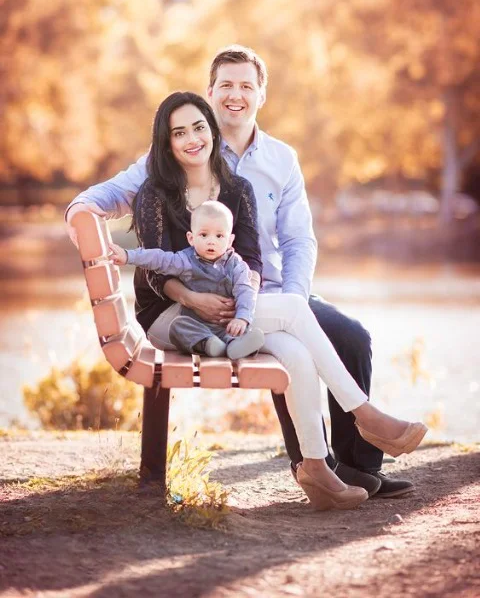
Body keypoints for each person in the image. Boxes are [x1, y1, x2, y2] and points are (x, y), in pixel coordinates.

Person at [66, 45, 417, 498]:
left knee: (349, 336)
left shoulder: (278, 161)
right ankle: (333, 449)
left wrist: (290, 295)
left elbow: (297, 240)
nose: (235, 95)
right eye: (226, 86)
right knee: (292, 339)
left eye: (246, 86)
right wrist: (81, 212)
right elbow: (121, 206)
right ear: (210, 93)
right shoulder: (169, 163)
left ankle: (355, 466)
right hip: (205, 300)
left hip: (271, 291)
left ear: (261, 94)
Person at [109, 200, 265, 360]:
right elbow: (158, 258)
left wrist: (242, 318)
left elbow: (245, 291)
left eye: (219, 236)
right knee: (178, 326)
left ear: (230, 241)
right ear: (191, 238)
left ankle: (235, 344)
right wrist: (128, 256)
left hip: (226, 325)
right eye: (204, 235)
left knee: (241, 330)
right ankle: (209, 344)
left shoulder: (236, 265)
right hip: (197, 325)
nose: (211, 241)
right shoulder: (186, 260)